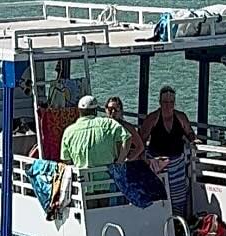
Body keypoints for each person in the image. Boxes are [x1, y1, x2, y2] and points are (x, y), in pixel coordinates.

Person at [140, 84, 197, 212]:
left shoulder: (180, 117)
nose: (168, 105)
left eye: (171, 102)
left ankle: (178, 225)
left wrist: (194, 140)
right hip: (157, 162)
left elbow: (189, 132)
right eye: (165, 102)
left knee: (179, 198)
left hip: (177, 163)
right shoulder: (153, 118)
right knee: (158, 197)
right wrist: (145, 160)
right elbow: (141, 139)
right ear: (160, 102)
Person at [59, 93, 129, 175]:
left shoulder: (68, 131)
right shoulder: (109, 123)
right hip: (108, 180)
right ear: (95, 110)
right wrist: (119, 161)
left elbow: (66, 160)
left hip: (82, 183)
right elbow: (127, 138)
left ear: (79, 111)